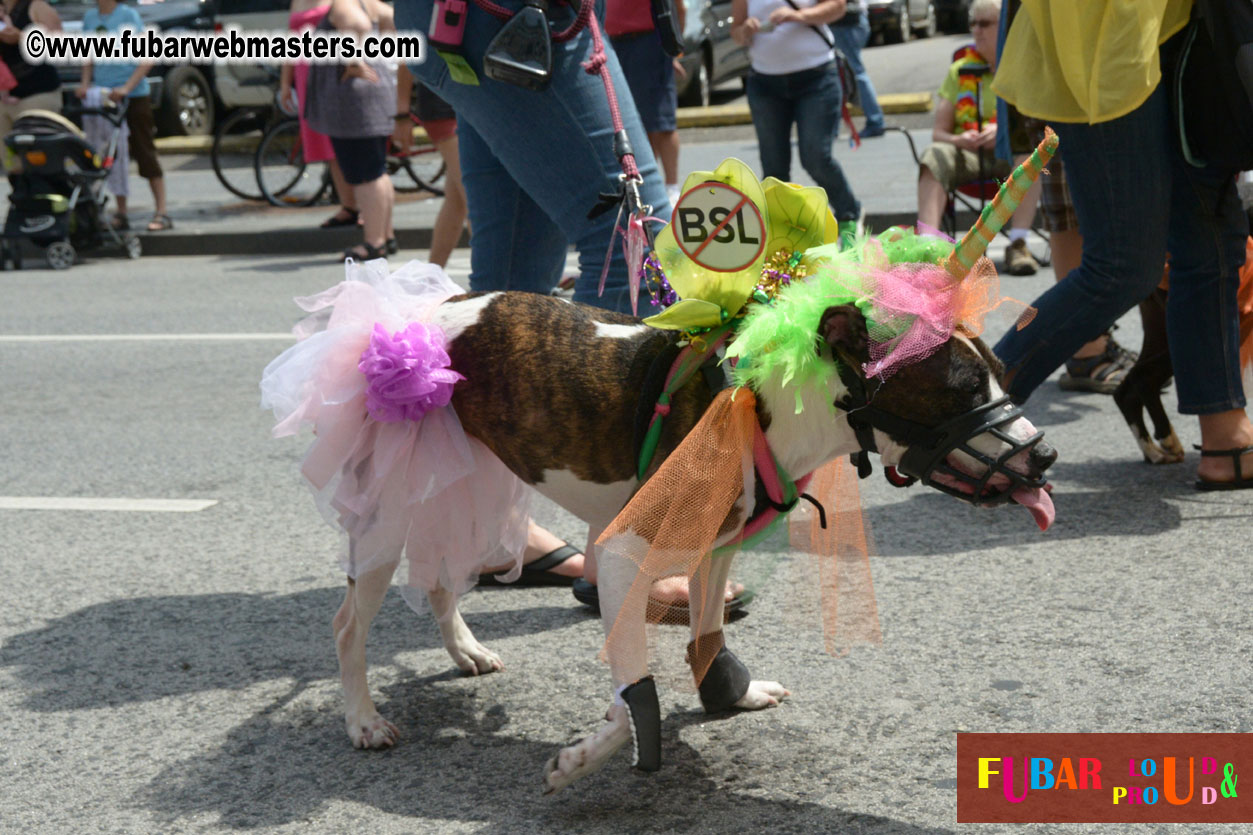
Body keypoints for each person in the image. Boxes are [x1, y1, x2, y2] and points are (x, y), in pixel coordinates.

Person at [395, 0, 749, 608]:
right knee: (629, 231)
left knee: (515, 279)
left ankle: (493, 531)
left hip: (466, 21)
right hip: (516, 17)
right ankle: (619, 543)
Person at [992, 0, 1253, 489]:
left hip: (1184, 31)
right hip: (1104, 39)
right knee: (1121, 265)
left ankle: (1226, 436)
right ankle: (968, 404)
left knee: (1212, 238)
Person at [914, 0, 1038, 275]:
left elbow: (1037, 123)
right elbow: (939, 132)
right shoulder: (961, 69)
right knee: (934, 153)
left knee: (1030, 153)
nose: (977, 30)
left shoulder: (1022, 66)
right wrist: (960, 139)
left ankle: (1018, 243)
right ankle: (929, 251)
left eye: (985, 24)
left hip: (1009, 154)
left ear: (1005, 26)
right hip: (969, 153)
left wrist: (1001, 131)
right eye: (973, 23)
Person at [732, 0, 862, 244]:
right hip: (764, 83)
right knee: (773, 167)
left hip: (817, 77)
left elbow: (838, 7)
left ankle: (849, 214)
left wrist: (799, 16)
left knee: (816, 157)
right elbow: (736, 32)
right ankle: (783, 233)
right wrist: (745, 30)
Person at [303, 0, 407, 261]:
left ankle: (374, 243)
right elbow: (393, 20)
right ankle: (386, 235)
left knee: (364, 176)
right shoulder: (371, 3)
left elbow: (356, 24)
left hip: (353, 104)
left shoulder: (343, 4)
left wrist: (353, 62)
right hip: (375, 95)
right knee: (376, 170)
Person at [76, 0, 172, 232]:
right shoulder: (90, 18)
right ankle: (121, 212)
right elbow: (88, 56)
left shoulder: (128, 15)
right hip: (105, 96)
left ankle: (162, 211)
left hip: (133, 95)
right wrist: (85, 84)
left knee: (144, 150)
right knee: (111, 155)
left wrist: (128, 88)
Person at [280, 0, 360, 231]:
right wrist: (286, 83)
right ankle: (349, 207)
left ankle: (365, 207)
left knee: (350, 143)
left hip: (335, 73)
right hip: (307, 77)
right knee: (328, 146)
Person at [606, 0, 685, 205]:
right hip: (612, 42)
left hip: (648, 41)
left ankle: (670, 189)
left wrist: (673, 50)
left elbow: (678, 8)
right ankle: (649, 187)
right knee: (632, 124)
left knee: (660, 122)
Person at [392, 69, 468, 268]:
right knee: (476, 202)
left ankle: (430, 279)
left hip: (459, 104)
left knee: (457, 202)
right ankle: (494, 283)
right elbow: (406, 61)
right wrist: (401, 113)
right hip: (444, 107)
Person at [0, 0, 61, 156]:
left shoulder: (36, 6)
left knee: (39, 159)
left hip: (37, 93)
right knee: (11, 163)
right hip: (4, 98)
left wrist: (21, 37)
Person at [829, 0, 886, 137]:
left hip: (846, 23)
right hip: (849, 22)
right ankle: (832, 128)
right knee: (840, 74)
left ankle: (875, 121)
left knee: (854, 73)